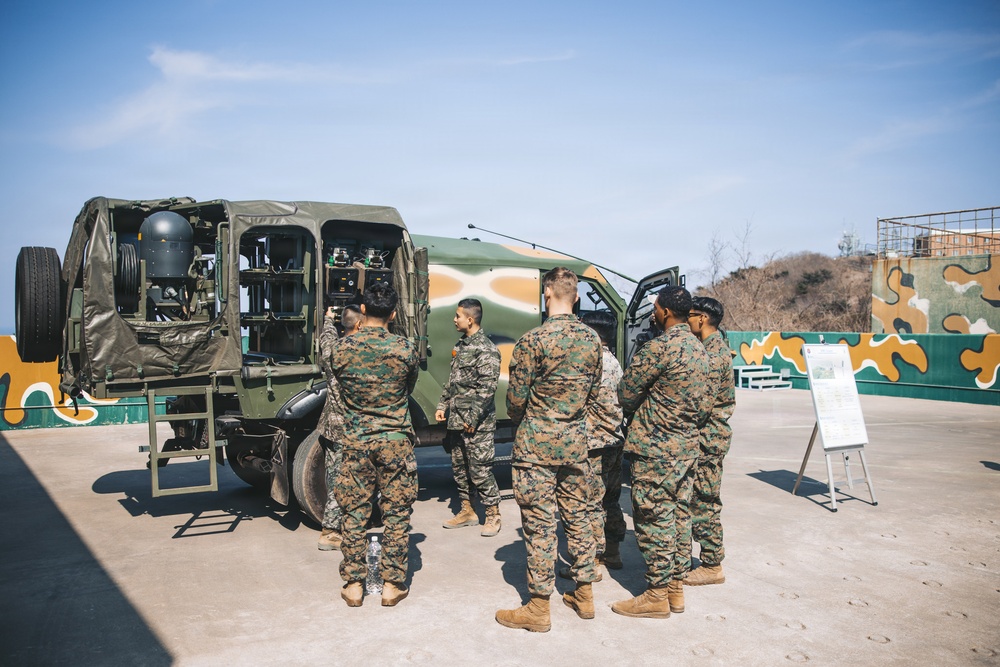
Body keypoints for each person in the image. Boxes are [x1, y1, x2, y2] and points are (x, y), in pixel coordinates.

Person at [496, 267, 603, 632]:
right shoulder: (592, 341)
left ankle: (539, 608)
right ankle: (584, 594)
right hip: (575, 443)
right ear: (575, 297)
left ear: (546, 295)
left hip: (536, 447)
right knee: (579, 518)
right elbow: (593, 391)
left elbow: (515, 400)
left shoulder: (532, 341)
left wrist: (529, 418)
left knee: (540, 525)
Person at [612, 286, 712, 619]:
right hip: (686, 449)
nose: (653, 313)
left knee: (654, 520)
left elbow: (625, 395)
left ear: (665, 312)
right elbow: (705, 405)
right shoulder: (701, 350)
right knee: (679, 517)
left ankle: (655, 595)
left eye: (655, 308)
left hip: (655, 451)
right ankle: (675, 589)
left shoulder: (659, 348)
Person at [329, 283, 420, 608]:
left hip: (357, 441)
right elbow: (408, 388)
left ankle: (354, 585)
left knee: (354, 511)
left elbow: (340, 383)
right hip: (395, 440)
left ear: (363, 310)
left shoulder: (342, 349)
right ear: (393, 313)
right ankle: (392, 585)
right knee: (396, 513)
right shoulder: (406, 349)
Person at [559, 310, 625, 579]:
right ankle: (613, 552)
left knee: (589, 504)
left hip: (594, 443)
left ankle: (593, 562)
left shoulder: (591, 363)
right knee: (610, 500)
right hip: (615, 440)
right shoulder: (615, 362)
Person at [435, 298, 503, 537]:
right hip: (457, 420)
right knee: (461, 469)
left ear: (470, 319)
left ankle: (493, 514)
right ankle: (468, 511)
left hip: (477, 424)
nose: (454, 320)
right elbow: (453, 380)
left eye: (458, 316)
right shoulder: (462, 345)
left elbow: (487, 388)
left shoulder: (486, 349)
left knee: (480, 470)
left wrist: (472, 419)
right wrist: (443, 404)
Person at [685, 296, 736, 586]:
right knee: (701, 498)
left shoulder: (713, 355)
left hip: (707, 437)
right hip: (709, 435)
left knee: (704, 500)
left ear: (702, 318)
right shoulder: (712, 348)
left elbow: (702, 404)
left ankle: (712, 564)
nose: (687, 320)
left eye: (690, 315)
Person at [316, 304, 363, 551]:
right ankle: (330, 532)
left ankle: (336, 527)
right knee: (342, 481)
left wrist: (327, 320)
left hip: (332, 427)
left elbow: (327, 338)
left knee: (335, 476)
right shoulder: (359, 352)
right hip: (351, 429)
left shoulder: (333, 350)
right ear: (359, 325)